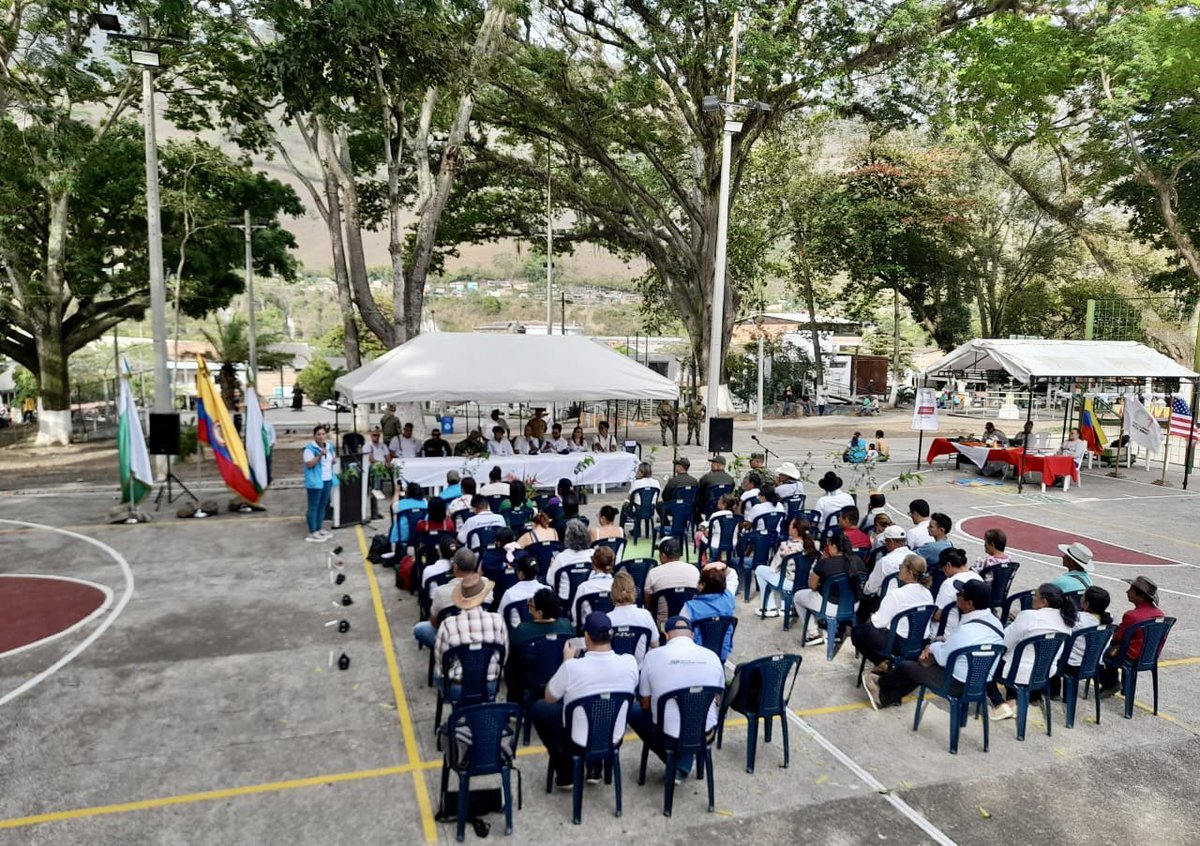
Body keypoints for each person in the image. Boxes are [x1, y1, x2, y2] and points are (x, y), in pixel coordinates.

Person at [532, 611, 639, 789]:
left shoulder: (572, 667)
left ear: (587, 636)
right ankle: (595, 768)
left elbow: (550, 697)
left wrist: (566, 661)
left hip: (578, 739)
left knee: (541, 709)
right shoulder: (630, 662)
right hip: (613, 735)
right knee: (602, 710)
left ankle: (566, 773)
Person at [864, 580, 1003, 710]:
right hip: (982, 683)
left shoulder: (966, 630)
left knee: (911, 665)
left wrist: (930, 647)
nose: (956, 596)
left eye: (959, 594)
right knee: (923, 666)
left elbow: (942, 658)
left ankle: (881, 683)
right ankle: (885, 697)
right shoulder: (996, 623)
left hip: (957, 684)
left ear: (969, 604)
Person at [628, 615, 726, 782]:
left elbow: (645, 704)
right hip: (705, 732)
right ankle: (684, 761)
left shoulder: (652, 657)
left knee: (633, 710)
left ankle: (681, 762)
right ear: (692, 636)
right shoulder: (712, 657)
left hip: (669, 735)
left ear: (666, 636)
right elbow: (718, 699)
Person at [986, 583, 1077, 721]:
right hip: (1044, 672)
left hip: (1017, 671)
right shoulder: (1067, 621)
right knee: (1017, 655)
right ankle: (1013, 700)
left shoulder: (1028, 616)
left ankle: (999, 704)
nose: (1033, 598)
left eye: (1035, 595)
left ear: (1044, 602)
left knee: (986, 664)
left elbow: (1004, 643)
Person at [852, 554, 934, 672]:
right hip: (919, 642)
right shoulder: (928, 594)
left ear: (909, 573)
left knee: (858, 632)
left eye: (902, 566)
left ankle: (881, 663)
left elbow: (879, 622)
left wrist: (873, 618)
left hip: (898, 643)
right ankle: (885, 664)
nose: (899, 568)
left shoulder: (896, 594)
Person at [433, 567, 506, 695]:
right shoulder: (498, 620)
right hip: (490, 685)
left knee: (436, 671)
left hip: (458, 687)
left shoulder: (448, 624)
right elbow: (503, 656)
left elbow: (441, 662)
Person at [794, 532, 866, 646]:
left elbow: (812, 586)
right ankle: (836, 632)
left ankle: (813, 633)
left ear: (834, 546)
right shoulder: (858, 561)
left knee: (798, 597)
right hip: (853, 606)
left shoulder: (825, 563)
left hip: (830, 607)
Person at [1097, 575, 1164, 694]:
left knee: (1099, 650)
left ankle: (1110, 683)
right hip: (1149, 655)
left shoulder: (1131, 616)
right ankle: (1124, 687)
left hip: (1130, 655)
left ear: (1141, 596)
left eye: (1131, 590)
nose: (1127, 592)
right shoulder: (1159, 614)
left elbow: (1117, 638)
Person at [413, 548, 490, 648]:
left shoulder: (441, 591)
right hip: (479, 632)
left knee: (419, 628)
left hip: (451, 639)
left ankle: (444, 652)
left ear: (455, 567)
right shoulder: (486, 584)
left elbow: (434, 622)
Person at [755, 516, 816, 617]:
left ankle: (769, 607)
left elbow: (773, 568)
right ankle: (785, 606)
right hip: (805, 582)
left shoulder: (786, 546)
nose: (789, 526)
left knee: (760, 570)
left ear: (796, 530)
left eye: (791, 525)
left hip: (790, 582)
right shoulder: (812, 545)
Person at [643, 537, 700, 629]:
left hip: (663, 626)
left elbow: (647, 602)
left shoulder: (654, 573)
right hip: (689, 623)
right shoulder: (694, 570)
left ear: (663, 555)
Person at [681, 567, 735, 660]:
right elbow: (732, 576)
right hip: (722, 653)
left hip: (697, 656)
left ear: (702, 585)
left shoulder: (689, 607)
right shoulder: (728, 598)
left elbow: (681, 634)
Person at [607, 571, 660, 665]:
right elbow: (655, 644)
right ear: (634, 591)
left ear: (612, 593)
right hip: (639, 670)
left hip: (614, 670)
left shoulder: (607, 619)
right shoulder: (645, 615)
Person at [929, 547, 982, 636]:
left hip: (946, 634)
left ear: (948, 566)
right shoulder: (978, 579)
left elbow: (937, 616)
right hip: (971, 630)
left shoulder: (949, 584)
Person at [860, 525, 911, 613]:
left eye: (886, 541)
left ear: (891, 542)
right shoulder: (915, 557)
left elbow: (870, 589)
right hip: (907, 601)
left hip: (885, 603)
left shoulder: (885, 561)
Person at [546, 520, 595, 601]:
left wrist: (551, 567)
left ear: (567, 537)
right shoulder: (593, 554)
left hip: (565, 601)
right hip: (589, 598)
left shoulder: (561, 558)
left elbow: (550, 580)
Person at [302, 425, 335, 543]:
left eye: (323, 434)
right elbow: (309, 464)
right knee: (314, 506)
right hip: (315, 481)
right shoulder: (309, 449)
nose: (321, 437)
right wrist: (320, 455)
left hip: (327, 479)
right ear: (314, 436)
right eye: (318, 434)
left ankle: (319, 528)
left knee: (323, 505)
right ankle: (312, 531)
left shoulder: (330, 446)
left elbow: (332, 460)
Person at [498, 556, 549, 627]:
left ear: (521, 573)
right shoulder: (547, 590)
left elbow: (500, 618)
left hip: (518, 636)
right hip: (543, 634)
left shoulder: (509, 594)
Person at [572, 546, 617, 617]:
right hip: (613, 626)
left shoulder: (583, 588)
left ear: (593, 563)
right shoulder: (619, 586)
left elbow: (575, 614)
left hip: (588, 627)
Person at [620, 462, 662, 527]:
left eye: (637, 471)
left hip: (637, 509)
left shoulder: (636, 483)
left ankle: (622, 528)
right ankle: (637, 529)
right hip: (651, 509)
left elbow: (630, 497)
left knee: (625, 506)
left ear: (641, 473)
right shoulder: (656, 482)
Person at [391, 482, 428, 546]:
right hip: (421, 535)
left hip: (403, 536)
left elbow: (393, 507)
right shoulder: (424, 502)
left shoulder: (402, 504)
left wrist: (397, 492)